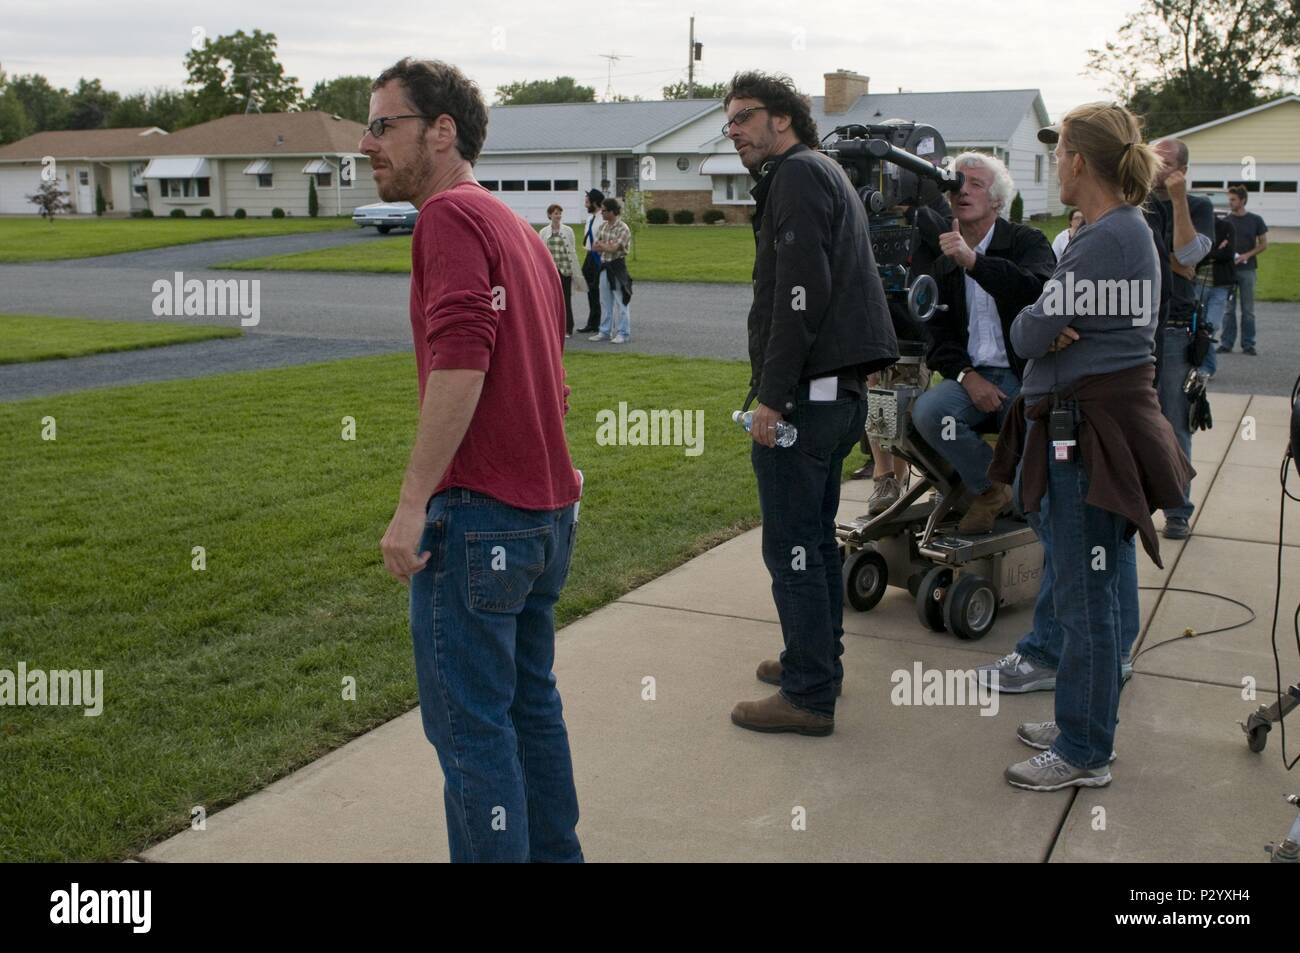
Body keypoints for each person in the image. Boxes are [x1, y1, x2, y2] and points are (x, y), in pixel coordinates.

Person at [366, 57, 584, 861]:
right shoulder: (517, 229)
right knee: (530, 710)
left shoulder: (449, 219)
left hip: (481, 518)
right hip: (545, 516)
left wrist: (412, 500)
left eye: (384, 125)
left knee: (470, 732)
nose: (368, 143)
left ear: (442, 131)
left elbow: (464, 358)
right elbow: (553, 374)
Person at [989, 102, 1193, 791]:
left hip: (1088, 435)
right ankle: (1084, 717)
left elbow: (1025, 335)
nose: (1054, 164)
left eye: (1059, 152)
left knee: (1086, 600)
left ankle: (1084, 748)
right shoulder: (1110, 232)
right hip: (1083, 426)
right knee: (1088, 591)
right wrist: (1052, 314)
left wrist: (1048, 315)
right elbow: (1046, 326)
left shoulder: (1107, 239)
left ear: (1079, 161)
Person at [721, 70, 897, 736]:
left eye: (744, 117)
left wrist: (771, 398)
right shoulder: (824, 173)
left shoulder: (795, 175)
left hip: (806, 399)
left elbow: (799, 295)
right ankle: (816, 660)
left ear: (783, 120)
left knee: (792, 542)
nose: (734, 129)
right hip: (840, 395)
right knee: (814, 541)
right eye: (729, 120)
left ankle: (809, 693)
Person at [908, 151, 1056, 533]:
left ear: (997, 201)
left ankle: (1024, 501)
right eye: (957, 181)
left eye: (976, 184)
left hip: (1029, 376)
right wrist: (966, 376)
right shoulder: (942, 257)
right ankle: (989, 489)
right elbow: (935, 332)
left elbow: (1038, 293)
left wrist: (974, 262)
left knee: (1032, 499)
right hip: (975, 375)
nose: (963, 189)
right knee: (929, 414)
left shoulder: (1026, 240)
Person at [1145, 137, 1214, 541]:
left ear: (1181, 170)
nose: (1155, 166)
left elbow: (1188, 257)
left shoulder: (1198, 206)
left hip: (1173, 328)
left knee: (1173, 421)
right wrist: (1166, 262)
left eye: (1165, 162)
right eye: (1152, 157)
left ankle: (1176, 510)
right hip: (1135, 324)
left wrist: (1179, 199)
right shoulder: (1135, 200)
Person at [1218, 184, 1269, 355]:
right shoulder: (1225, 222)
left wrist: (1247, 255)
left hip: (1248, 270)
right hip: (1228, 271)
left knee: (1248, 310)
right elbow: (1219, 244)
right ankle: (1226, 343)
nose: (1230, 202)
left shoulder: (1256, 220)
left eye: (1233, 199)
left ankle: (1248, 344)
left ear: (1243, 200)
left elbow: (1263, 244)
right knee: (1228, 309)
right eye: (1229, 199)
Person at [538, 203, 587, 337]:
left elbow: (572, 250)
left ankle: (567, 328)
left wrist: (574, 270)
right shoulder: (543, 232)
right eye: (555, 213)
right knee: (551, 300)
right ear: (549, 215)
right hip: (551, 272)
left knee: (566, 299)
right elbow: (541, 252)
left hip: (565, 270)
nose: (558, 216)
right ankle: (553, 328)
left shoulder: (568, 230)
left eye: (559, 213)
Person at [589, 197, 632, 343]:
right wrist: (606, 246)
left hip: (617, 267)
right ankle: (605, 331)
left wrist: (605, 246)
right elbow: (594, 247)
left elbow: (614, 249)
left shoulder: (623, 228)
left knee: (621, 301)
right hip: (604, 267)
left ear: (613, 211)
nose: (601, 213)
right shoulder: (603, 227)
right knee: (605, 302)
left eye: (604, 210)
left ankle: (623, 333)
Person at [576, 189, 605, 334]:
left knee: (598, 289)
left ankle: (599, 322)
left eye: (587, 201)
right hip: (589, 256)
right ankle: (593, 322)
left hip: (598, 257)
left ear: (595, 202)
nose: (585, 204)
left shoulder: (603, 219)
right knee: (589, 289)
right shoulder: (590, 218)